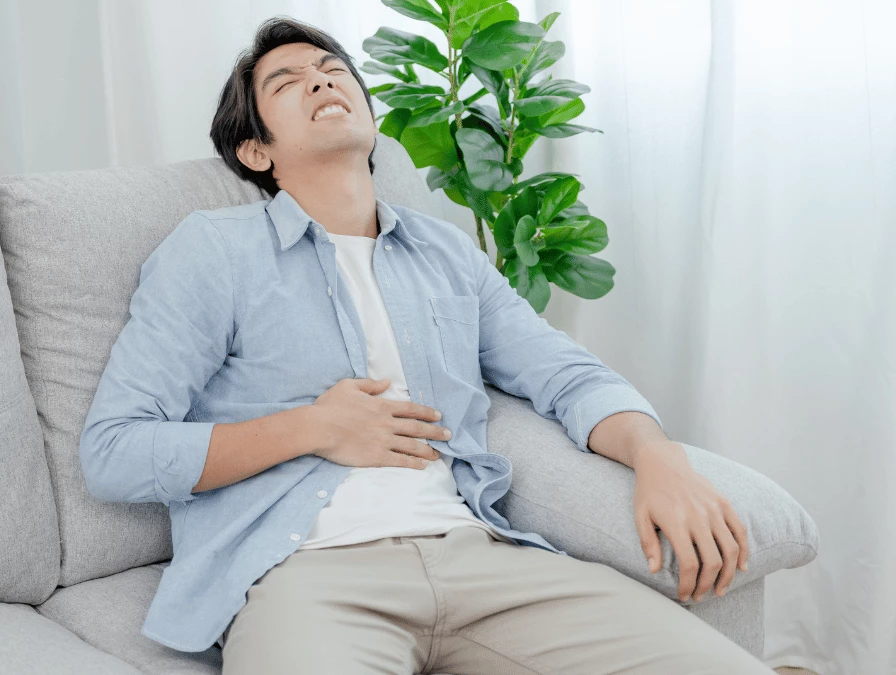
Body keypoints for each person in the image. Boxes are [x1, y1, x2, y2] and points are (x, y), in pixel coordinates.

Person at [79, 16, 774, 675]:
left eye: (332, 69)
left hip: (483, 556)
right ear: (255, 150)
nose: (322, 81)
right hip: (306, 573)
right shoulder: (213, 252)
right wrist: (311, 428)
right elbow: (113, 452)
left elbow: (563, 373)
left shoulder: (447, 253)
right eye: (287, 82)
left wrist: (657, 454)